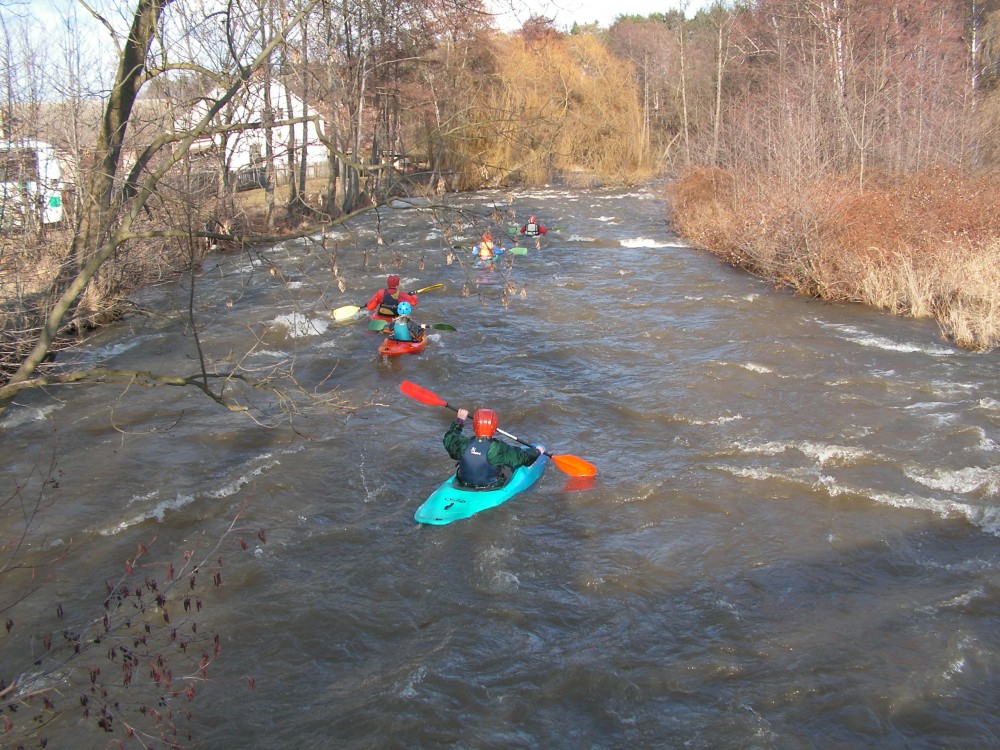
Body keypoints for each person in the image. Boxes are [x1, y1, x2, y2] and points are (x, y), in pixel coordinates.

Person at [444, 407, 544, 489]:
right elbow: (521, 458)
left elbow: (450, 438)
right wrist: (536, 451)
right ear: (494, 427)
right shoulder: (498, 447)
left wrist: (460, 420)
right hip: (490, 487)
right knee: (509, 466)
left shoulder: (463, 444)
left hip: (463, 484)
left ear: (474, 425)